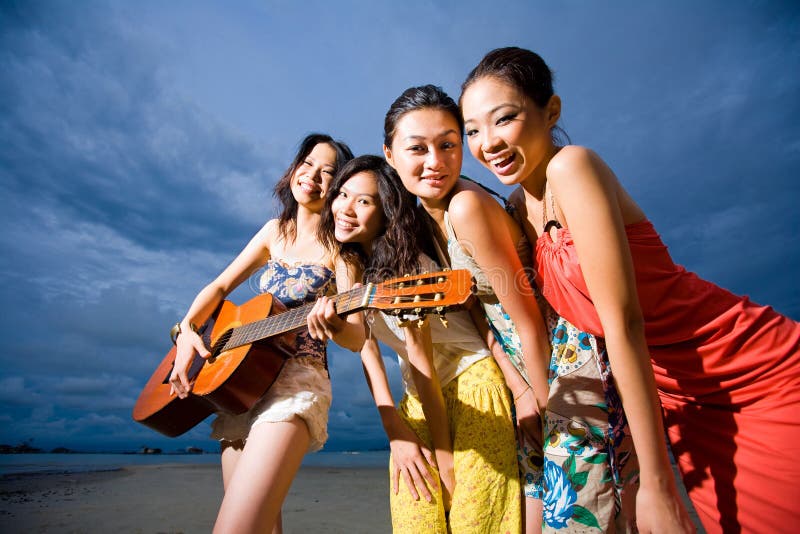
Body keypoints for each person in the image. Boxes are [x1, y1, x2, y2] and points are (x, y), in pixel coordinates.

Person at [460, 46, 800, 534]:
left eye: (504, 119)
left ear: (550, 111)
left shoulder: (572, 167)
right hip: (678, 402)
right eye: (472, 130)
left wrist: (658, 484)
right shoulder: (517, 209)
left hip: (746, 366)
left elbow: (623, 323)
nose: (487, 142)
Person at [382, 84, 641, 533]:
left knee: (582, 515)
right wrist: (519, 389)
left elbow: (528, 320)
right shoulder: (426, 221)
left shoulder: (465, 206)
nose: (435, 162)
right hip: (521, 370)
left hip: (561, 361)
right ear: (389, 155)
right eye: (417, 148)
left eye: (448, 145)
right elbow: (481, 317)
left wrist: (541, 406)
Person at [308, 154, 521, 533]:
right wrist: (333, 327)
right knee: (416, 522)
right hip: (419, 400)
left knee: (475, 523)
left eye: (364, 201)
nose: (346, 208)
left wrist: (445, 460)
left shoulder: (409, 264)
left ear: (385, 210)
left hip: (472, 382)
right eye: (342, 195)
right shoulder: (351, 262)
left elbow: (423, 364)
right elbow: (360, 340)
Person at [167, 133, 355, 534]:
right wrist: (187, 331)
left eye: (328, 173)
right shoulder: (274, 231)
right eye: (307, 164)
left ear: (339, 189)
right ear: (293, 169)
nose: (313, 176)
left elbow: (357, 338)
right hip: (242, 386)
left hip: (297, 384)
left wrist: (335, 322)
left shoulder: (343, 248)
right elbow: (219, 288)